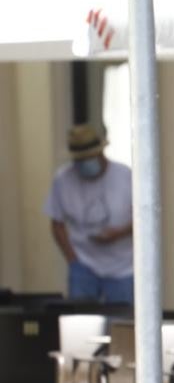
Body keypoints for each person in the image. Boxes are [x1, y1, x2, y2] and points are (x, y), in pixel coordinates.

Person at [43, 124, 134, 303]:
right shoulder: (63, 180)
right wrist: (73, 260)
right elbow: (57, 224)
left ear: (101, 153)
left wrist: (119, 233)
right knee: (80, 317)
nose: (85, 164)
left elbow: (145, 220)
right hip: (83, 265)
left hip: (123, 268)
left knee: (123, 318)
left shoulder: (126, 176)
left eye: (89, 158)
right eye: (80, 160)